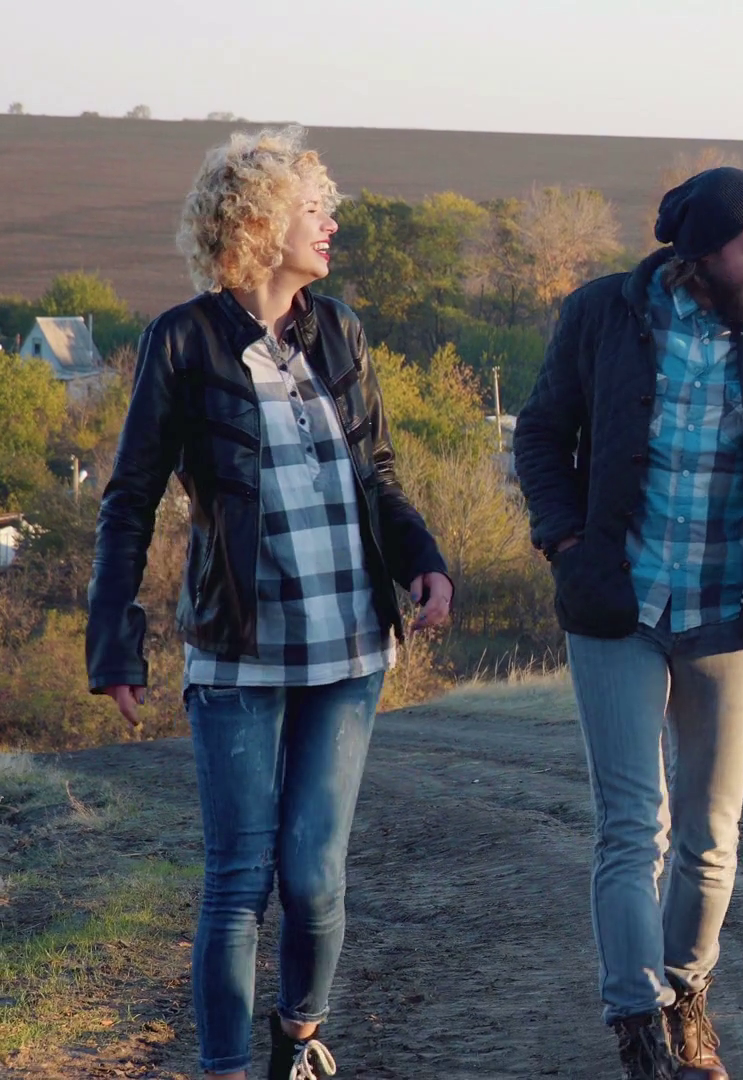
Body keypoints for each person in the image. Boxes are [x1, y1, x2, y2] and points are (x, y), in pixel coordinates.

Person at [86, 126, 453, 1080]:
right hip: (237, 650)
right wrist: (115, 642)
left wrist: (424, 561)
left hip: (351, 645)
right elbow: (129, 501)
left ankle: (299, 1035)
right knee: (238, 880)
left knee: (314, 878)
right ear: (256, 222)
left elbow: (377, 471)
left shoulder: (340, 331)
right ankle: (222, 1067)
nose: (330, 225)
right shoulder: (183, 342)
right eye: (313, 209)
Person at [513, 166, 743, 1080]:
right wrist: (565, 539)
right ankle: (639, 1031)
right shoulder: (603, 313)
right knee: (632, 826)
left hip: (732, 610)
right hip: (617, 604)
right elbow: (540, 432)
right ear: (702, 249)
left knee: (710, 834)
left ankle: (686, 990)